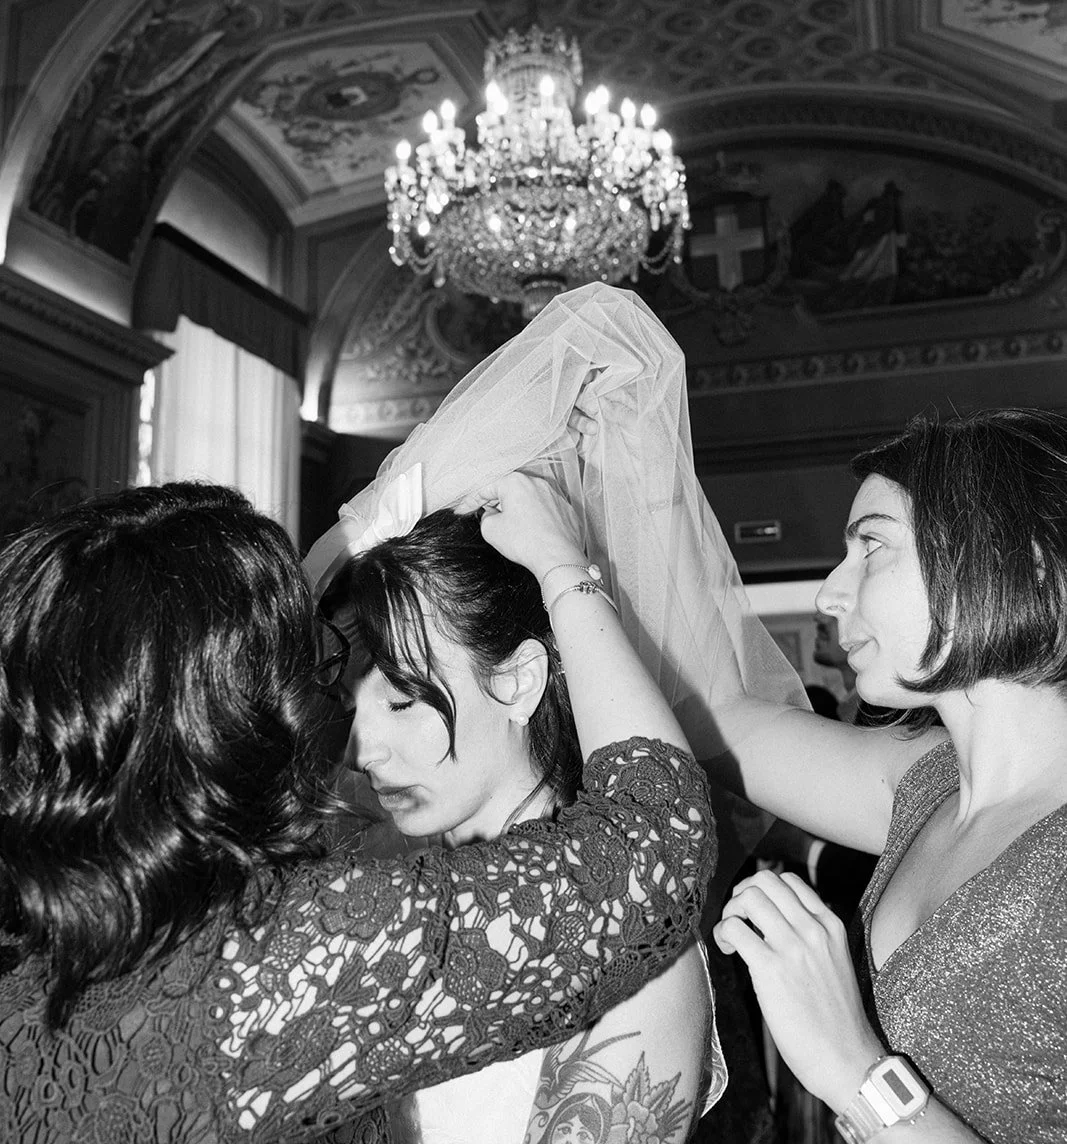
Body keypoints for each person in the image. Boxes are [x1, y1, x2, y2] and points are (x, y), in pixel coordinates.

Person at [0, 476, 717, 1142]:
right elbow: (657, 839)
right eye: (332, 696)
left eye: (402, 700)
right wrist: (564, 571)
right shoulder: (306, 929)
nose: (358, 748)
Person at [708, 409, 1067, 1143]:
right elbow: (712, 713)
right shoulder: (927, 786)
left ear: (1019, 562)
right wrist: (567, 567)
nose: (829, 595)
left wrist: (851, 1067)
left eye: (871, 546)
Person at [320, 503, 726, 1144]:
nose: (362, 752)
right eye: (351, 707)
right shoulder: (376, 894)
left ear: (516, 682)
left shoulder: (626, 936)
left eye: (401, 701)